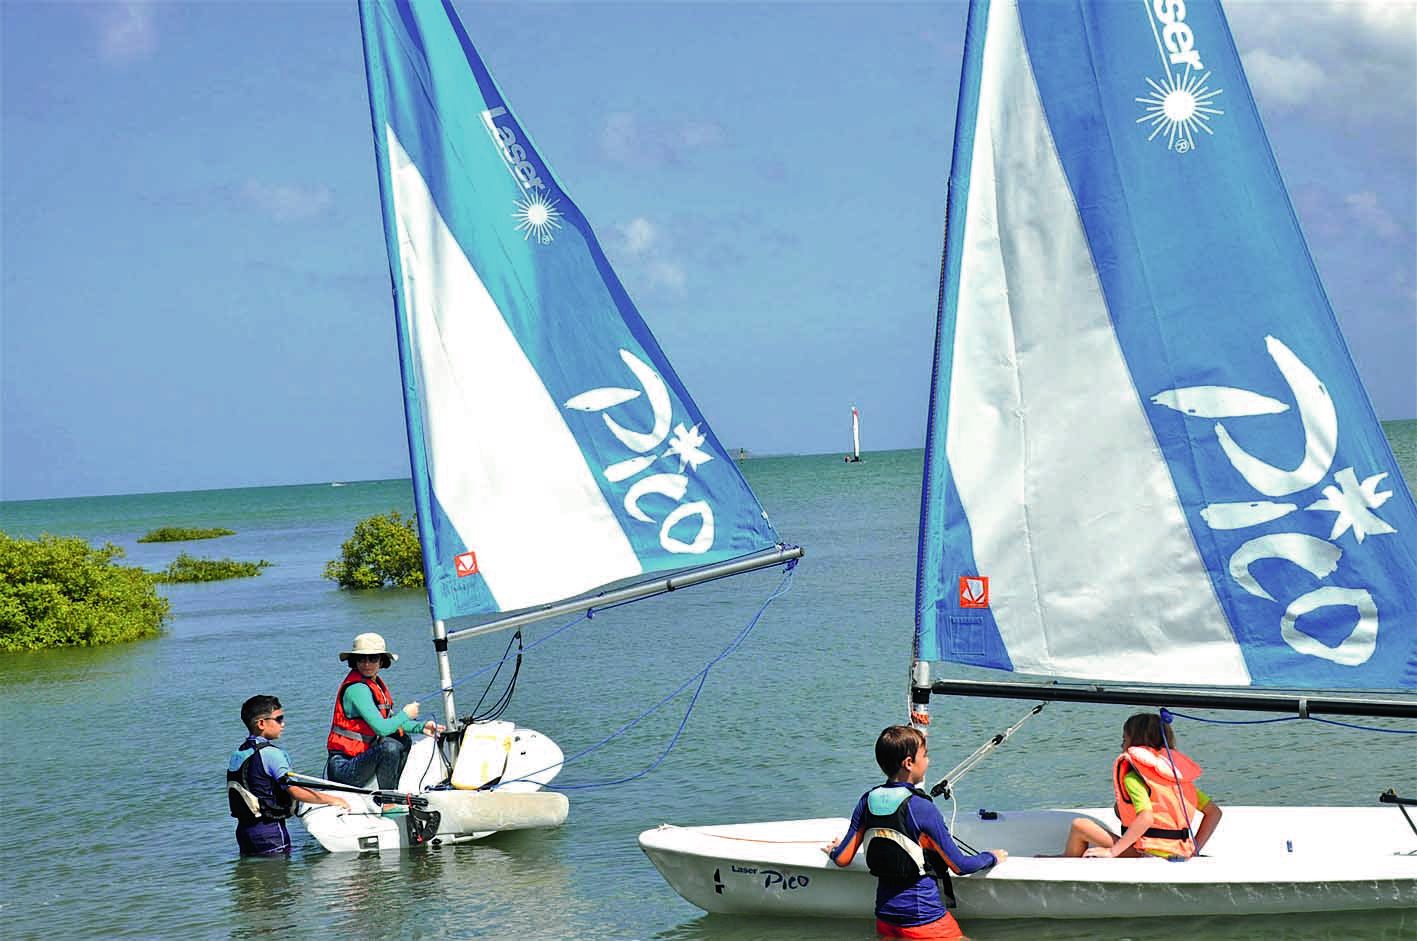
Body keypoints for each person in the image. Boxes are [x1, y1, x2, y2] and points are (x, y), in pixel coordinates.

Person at [826, 726, 1007, 940]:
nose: (928, 760)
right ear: (909, 763)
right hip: (925, 920)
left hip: (886, 918)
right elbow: (960, 866)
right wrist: (992, 856)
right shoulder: (921, 807)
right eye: (925, 754)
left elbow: (843, 858)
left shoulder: (867, 800)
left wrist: (834, 851)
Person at [1060, 711, 1223, 859]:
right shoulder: (1179, 780)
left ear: (1134, 743)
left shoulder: (1134, 778)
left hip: (1147, 855)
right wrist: (1195, 848)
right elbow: (1214, 812)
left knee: (1080, 826)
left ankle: (1065, 870)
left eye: (1124, 740)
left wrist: (1112, 851)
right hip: (1181, 853)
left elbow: (1146, 818)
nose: (1122, 745)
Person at [228, 694, 348, 856]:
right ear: (262, 723)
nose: (283, 724)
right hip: (270, 831)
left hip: (244, 832)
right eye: (278, 719)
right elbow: (295, 791)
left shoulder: (238, 753)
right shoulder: (272, 754)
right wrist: (333, 800)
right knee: (279, 879)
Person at [325, 632, 442, 796]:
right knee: (390, 747)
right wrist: (406, 714)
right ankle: (389, 801)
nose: (366, 664)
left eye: (372, 658)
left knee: (402, 739)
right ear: (354, 661)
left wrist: (421, 727)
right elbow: (382, 729)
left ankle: (393, 790)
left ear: (381, 661)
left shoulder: (374, 685)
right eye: (361, 659)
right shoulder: (356, 689)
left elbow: (389, 722)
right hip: (343, 768)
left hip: (359, 760)